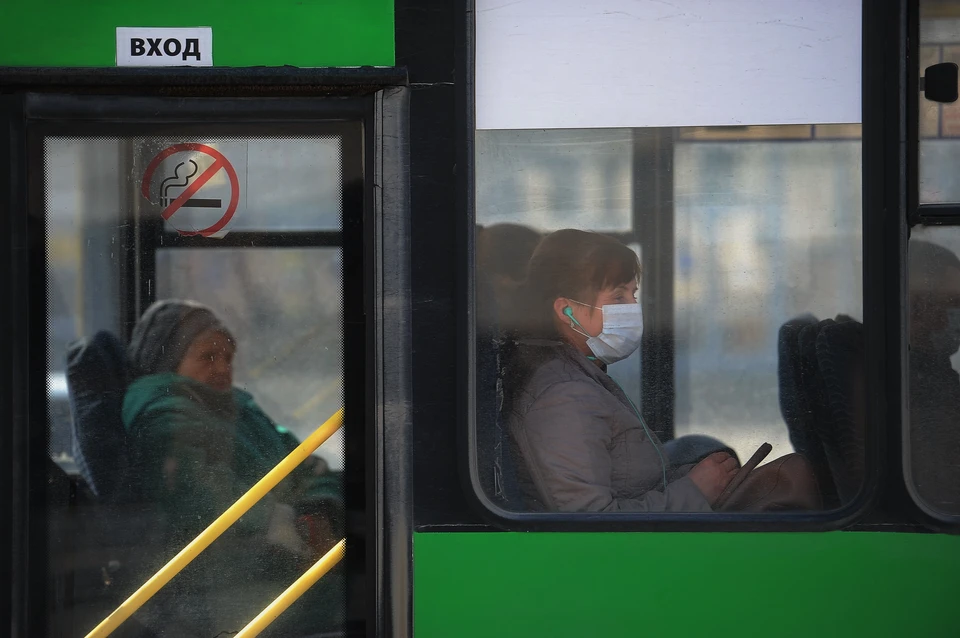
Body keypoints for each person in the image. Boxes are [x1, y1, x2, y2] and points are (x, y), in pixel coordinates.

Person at [122, 299, 343, 636]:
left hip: (278, 560)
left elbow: (307, 465)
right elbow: (206, 503)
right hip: (221, 583)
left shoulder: (237, 407)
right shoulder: (164, 418)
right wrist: (298, 534)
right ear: (168, 362)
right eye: (207, 357)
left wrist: (320, 508)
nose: (223, 368)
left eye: (227, 358)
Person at [501, 229, 739, 512]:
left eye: (633, 294)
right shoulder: (565, 397)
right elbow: (594, 526)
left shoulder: (581, 374)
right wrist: (695, 491)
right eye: (618, 298)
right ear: (567, 310)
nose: (633, 309)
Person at [908, 240, 960, 515]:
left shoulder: (933, 373)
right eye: (953, 305)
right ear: (916, 309)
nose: (957, 319)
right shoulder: (917, 389)